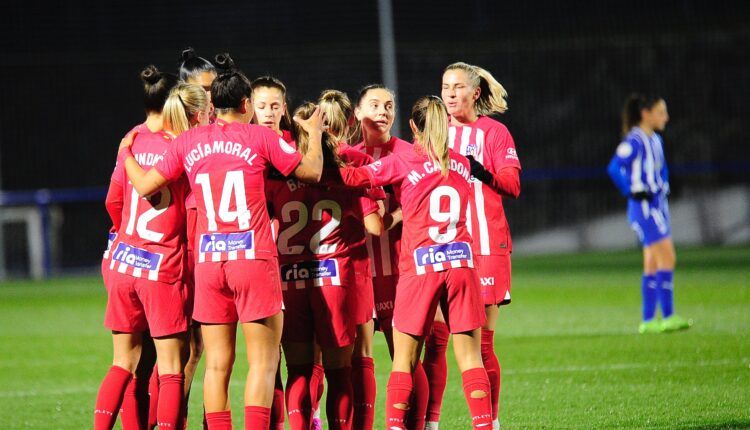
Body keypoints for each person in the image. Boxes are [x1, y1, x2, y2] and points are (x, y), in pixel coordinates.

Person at [117, 53, 326, 429]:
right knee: (263, 363)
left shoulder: (190, 141)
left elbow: (145, 185)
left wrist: (126, 153)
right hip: (253, 260)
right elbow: (310, 172)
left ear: (215, 104)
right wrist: (313, 136)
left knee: (216, 365)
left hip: (210, 263)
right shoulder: (260, 136)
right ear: (246, 105)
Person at [336, 96, 493, 430]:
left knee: (404, 361)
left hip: (420, 267)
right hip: (461, 265)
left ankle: (395, 426)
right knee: (470, 359)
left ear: (412, 127)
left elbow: (354, 179)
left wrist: (333, 149)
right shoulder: (462, 164)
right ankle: (484, 425)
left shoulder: (405, 161)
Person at [95, 67, 210, 430]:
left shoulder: (133, 140)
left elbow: (114, 201)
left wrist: (124, 236)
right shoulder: (185, 150)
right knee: (172, 365)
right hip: (163, 267)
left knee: (123, 364)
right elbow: (193, 218)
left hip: (124, 260)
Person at [267, 101, 383, 430]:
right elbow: (373, 220)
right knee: (338, 372)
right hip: (334, 280)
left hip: (290, 280)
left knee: (300, 371)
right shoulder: (347, 171)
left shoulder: (279, 173)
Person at [422, 61, 522, 430]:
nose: (449, 93)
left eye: (458, 86)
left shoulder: (494, 133)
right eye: (445, 86)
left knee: (480, 345)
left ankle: (490, 422)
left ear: (475, 92)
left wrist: (483, 172)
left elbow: (512, 186)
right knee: (436, 342)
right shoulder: (434, 132)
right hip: (440, 248)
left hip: (484, 248)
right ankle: (431, 423)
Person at [351, 84, 430, 430]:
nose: (382, 112)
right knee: (357, 359)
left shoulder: (409, 152)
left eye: (388, 106)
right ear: (357, 112)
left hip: (401, 268)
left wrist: (391, 217)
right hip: (359, 271)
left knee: (407, 358)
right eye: (374, 105)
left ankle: (421, 425)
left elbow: (422, 206)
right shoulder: (348, 156)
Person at [607, 94, 692, 334]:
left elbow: (661, 170)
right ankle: (668, 316)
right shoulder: (635, 140)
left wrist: (663, 186)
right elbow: (614, 167)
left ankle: (648, 320)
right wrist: (632, 191)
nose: (666, 117)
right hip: (643, 208)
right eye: (661, 112)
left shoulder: (656, 140)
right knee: (668, 258)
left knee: (652, 263)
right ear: (646, 113)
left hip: (658, 205)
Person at [251, 74, 294, 430]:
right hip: (253, 264)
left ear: (285, 108)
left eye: (274, 106)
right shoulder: (246, 147)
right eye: (261, 106)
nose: (267, 112)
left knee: (286, 354)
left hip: (291, 264)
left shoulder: (293, 145)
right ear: (248, 107)